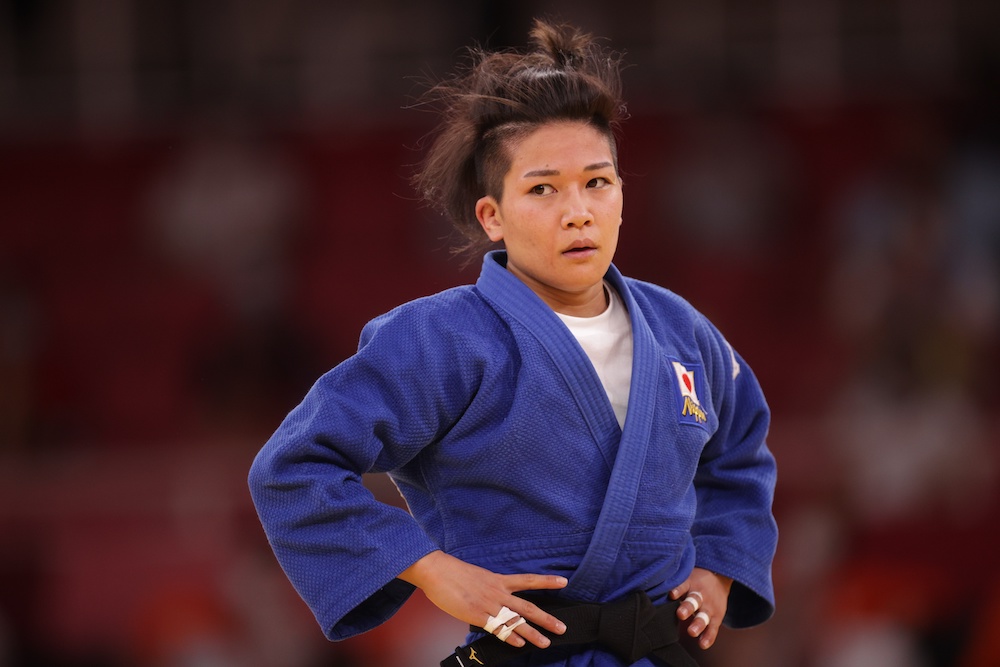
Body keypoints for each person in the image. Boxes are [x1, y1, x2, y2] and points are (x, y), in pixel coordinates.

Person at [248, 19, 777, 667]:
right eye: (543, 188)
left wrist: (719, 567)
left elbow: (740, 455)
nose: (578, 209)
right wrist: (430, 568)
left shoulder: (681, 329)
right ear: (491, 215)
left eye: (598, 181)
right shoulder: (437, 337)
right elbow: (295, 465)